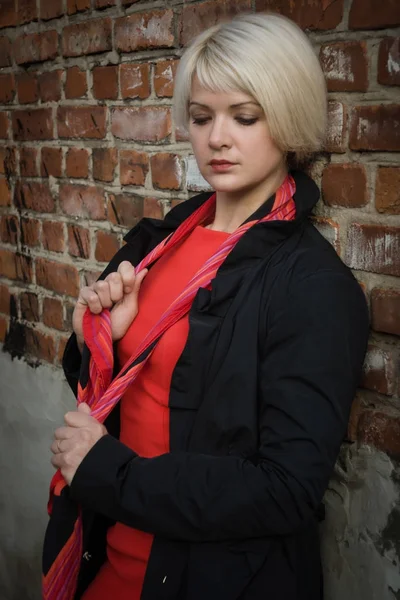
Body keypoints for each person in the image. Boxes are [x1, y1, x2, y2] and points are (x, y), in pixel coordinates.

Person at [43, 12, 369, 600]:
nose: (216, 137)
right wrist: (96, 341)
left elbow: (286, 488)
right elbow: (110, 390)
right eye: (200, 117)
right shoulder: (158, 243)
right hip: (104, 561)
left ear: (289, 118)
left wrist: (110, 475)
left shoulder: (312, 287)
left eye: (244, 116)